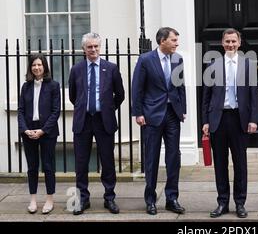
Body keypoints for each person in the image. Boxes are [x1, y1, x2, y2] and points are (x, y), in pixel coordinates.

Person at [202, 28, 258, 218]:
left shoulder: (248, 65)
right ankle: (222, 202)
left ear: (239, 43)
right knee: (220, 163)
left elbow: (254, 95)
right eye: (227, 41)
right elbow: (206, 97)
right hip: (218, 119)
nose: (230, 45)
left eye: (233, 41)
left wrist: (253, 119)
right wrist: (205, 121)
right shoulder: (212, 65)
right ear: (222, 43)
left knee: (240, 163)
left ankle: (240, 203)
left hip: (239, 119)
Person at [132, 27, 187, 215]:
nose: (176, 43)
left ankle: (172, 198)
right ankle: (150, 199)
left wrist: (183, 109)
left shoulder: (178, 59)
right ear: (162, 40)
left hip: (173, 114)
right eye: (173, 40)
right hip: (151, 115)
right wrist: (138, 113)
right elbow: (137, 88)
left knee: (174, 158)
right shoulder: (145, 60)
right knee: (152, 159)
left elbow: (181, 86)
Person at [68, 32, 125, 215]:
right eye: (89, 47)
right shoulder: (76, 69)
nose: (93, 49)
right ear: (84, 49)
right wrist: (85, 106)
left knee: (107, 161)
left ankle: (109, 197)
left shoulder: (111, 68)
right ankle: (83, 199)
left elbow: (120, 94)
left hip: (104, 121)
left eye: (96, 46)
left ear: (100, 48)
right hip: (83, 121)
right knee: (81, 163)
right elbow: (73, 96)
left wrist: (107, 108)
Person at [18, 54, 61, 214]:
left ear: (45, 67)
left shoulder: (54, 86)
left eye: (40, 65)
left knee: (48, 166)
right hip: (28, 131)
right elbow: (21, 110)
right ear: (30, 68)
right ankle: (33, 200)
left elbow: (56, 111)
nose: (37, 67)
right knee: (32, 167)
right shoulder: (26, 86)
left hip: (47, 131)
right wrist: (25, 129)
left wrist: (43, 130)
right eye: (34, 65)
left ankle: (49, 199)